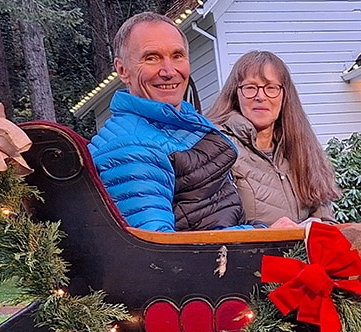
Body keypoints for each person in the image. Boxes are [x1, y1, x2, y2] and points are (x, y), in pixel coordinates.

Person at [88, 12, 257, 232]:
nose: (169, 71)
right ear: (122, 70)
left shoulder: (181, 124)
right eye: (151, 57)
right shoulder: (132, 147)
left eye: (177, 55)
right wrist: (264, 234)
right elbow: (159, 251)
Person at [206, 51, 341, 227]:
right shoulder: (219, 149)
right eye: (250, 87)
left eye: (271, 87)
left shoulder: (301, 148)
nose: (260, 96)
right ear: (235, 94)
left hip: (304, 253)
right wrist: (267, 235)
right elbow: (213, 228)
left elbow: (327, 222)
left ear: (284, 96)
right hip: (251, 253)